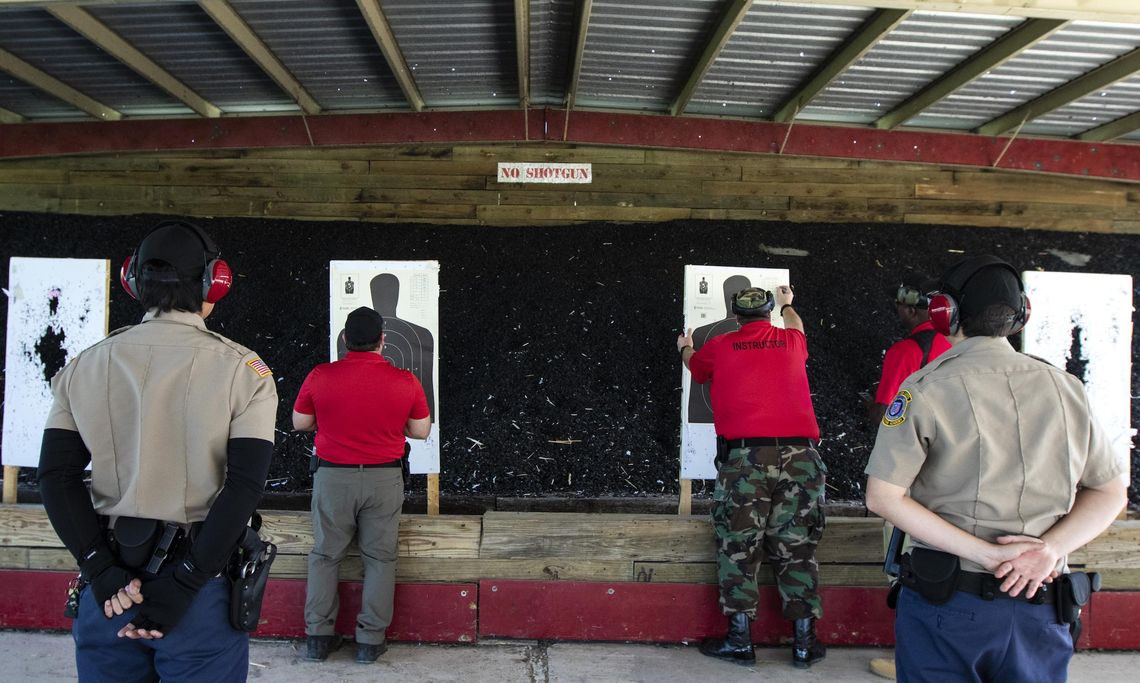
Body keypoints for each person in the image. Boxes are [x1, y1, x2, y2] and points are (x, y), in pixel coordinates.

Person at [865, 255, 1128, 683]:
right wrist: (1047, 550)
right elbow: (1110, 491)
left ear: (944, 313)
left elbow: (883, 496)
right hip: (1043, 600)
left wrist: (987, 555)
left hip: (950, 603)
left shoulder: (925, 388)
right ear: (1021, 315)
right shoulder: (1067, 387)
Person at [37, 220, 278, 681]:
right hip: (198, 591)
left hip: (109, 589)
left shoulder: (84, 365)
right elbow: (244, 485)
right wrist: (187, 580)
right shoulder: (244, 371)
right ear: (214, 282)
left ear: (132, 281)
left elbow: (55, 477)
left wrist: (99, 569)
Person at [677, 285, 828, 668]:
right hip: (801, 457)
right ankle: (805, 644)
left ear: (736, 313)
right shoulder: (792, 340)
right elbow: (797, 323)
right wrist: (789, 303)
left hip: (745, 458)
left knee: (739, 544)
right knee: (797, 546)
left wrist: (684, 345)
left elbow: (696, 368)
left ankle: (741, 641)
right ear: (768, 312)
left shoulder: (723, 346)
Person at [293, 306, 431, 664]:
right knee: (380, 559)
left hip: (332, 478)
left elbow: (300, 422)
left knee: (325, 556)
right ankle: (370, 642)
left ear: (345, 341)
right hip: (384, 479)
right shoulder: (405, 381)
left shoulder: (320, 375)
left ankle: (318, 639)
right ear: (383, 341)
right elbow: (420, 431)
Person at [866, 275, 950, 681]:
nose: (897, 312)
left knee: (906, 565)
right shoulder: (960, 347)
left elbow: (888, 410)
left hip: (914, 475)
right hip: (956, 475)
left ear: (914, 311)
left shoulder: (906, 349)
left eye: (902, 306)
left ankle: (910, 661)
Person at [867, 277, 952, 425]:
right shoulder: (958, 338)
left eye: (897, 304)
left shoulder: (905, 351)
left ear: (910, 311)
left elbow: (882, 416)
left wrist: (870, 406)